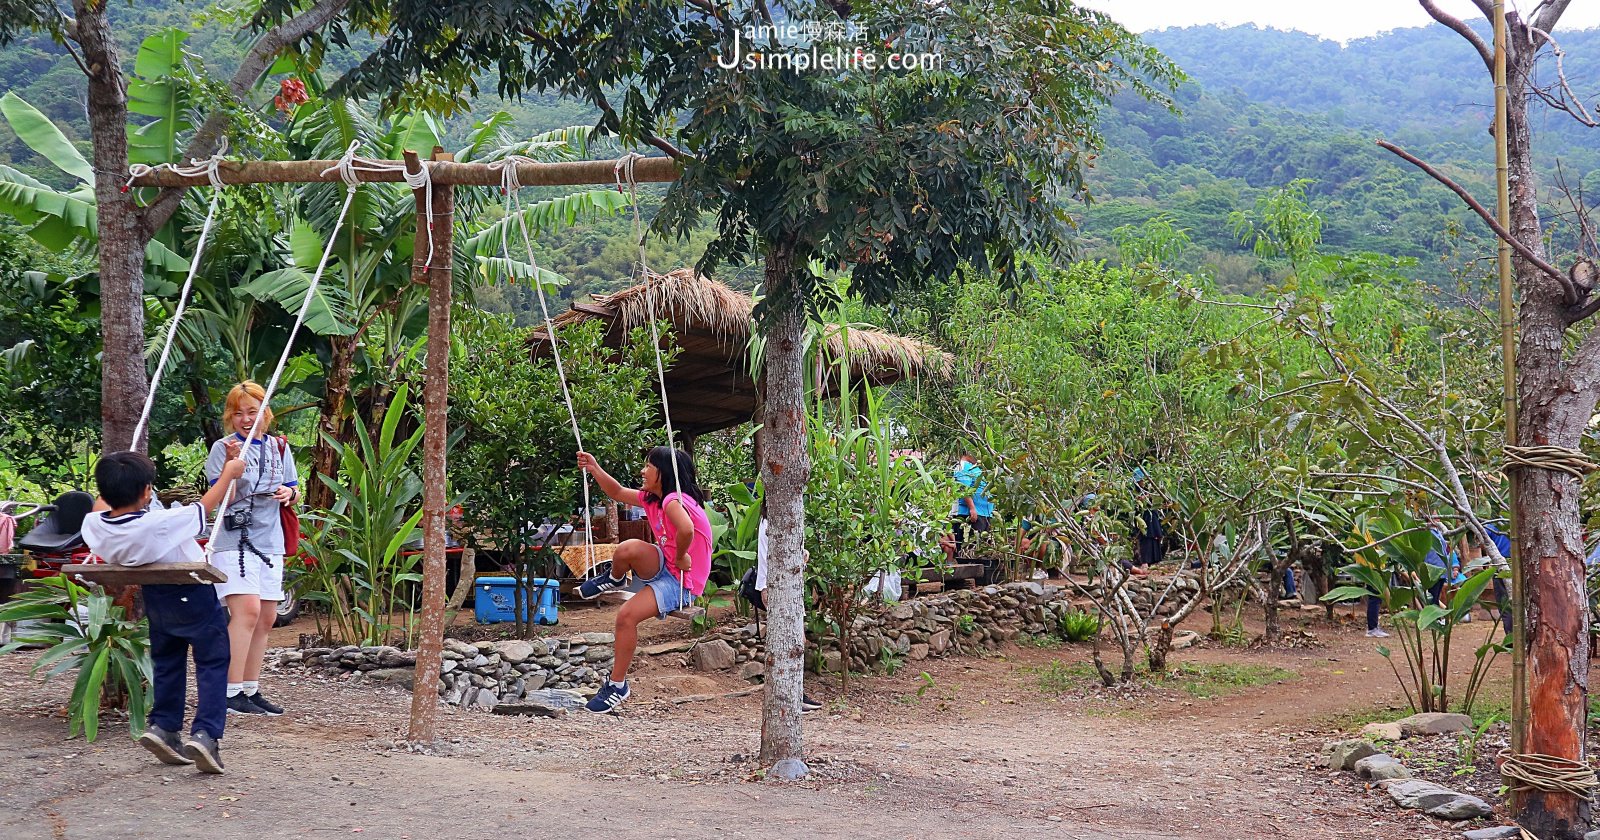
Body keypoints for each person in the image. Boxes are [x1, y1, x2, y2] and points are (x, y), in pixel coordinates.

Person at [82, 446, 246, 774]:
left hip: (156, 598)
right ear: (146, 493)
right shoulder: (159, 523)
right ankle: (206, 735)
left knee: (168, 661)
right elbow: (205, 507)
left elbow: (103, 505)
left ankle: (165, 728)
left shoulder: (94, 526)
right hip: (193, 594)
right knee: (213, 662)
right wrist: (230, 471)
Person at [575, 446, 713, 713]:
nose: (642, 470)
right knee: (628, 548)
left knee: (626, 617)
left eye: (649, 466)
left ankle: (617, 685)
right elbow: (616, 492)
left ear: (664, 473)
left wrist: (683, 555)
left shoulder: (674, 499)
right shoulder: (653, 498)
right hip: (666, 563)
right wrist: (594, 468)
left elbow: (686, 529)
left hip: (681, 581)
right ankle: (615, 579)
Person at [204, 381, 299, 717]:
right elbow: (220, 502)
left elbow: (292, 486)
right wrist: (231, 471)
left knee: (268, 617)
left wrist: (290, 495)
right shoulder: (224, 448)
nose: (246, 419)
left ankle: (249, 688)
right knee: (246, 612)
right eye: (239, 413)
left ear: (265, 413)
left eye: (252, 411)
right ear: (231, 417)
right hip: (235, 540)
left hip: (270, 541)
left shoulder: (280, 447)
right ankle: (228, 693)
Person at [743, 512, 823, 712]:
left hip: (786, 587)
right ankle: (792, 695)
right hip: (776, 587)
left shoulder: (781, 519)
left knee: (794, 641)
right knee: (793, 640)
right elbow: (772, 557)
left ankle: (796, 694)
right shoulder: (770, 522)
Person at [947, 452, 993, 561]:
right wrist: (972, 508)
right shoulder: (962, 465)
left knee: (980, 544)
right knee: (969, 544)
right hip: (970, 512)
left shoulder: (976, 467)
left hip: (984, 512)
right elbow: (963, 488)